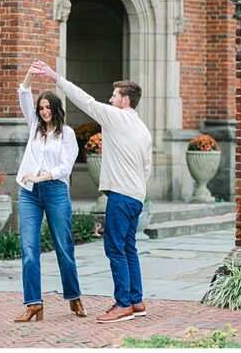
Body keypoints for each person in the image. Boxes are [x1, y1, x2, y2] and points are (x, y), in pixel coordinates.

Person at [32, 61, 152, 324]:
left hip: (121, 196)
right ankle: (136, 301)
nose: (109, 100)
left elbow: (85, 101)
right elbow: (147, 167)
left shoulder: (117, 117)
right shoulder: (143, 128)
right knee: (129, 248)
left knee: (115, 249)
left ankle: (123, 305)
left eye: (114, 96)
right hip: (135, 196)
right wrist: (138, 192)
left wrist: (56, 78)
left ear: (125, 101)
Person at [13, 64, 85, 322]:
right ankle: (33, 304)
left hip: (55, 191)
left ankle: (74, 296)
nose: (44, 112)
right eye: (41, 108)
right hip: (29, 193)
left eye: (48, 108)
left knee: (64, 247)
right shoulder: (34, 126)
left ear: (56, 110)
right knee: (29, 249)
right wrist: (31, 72)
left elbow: (65, 167)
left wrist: (41, 176)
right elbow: (23, 91)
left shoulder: (67, 134)